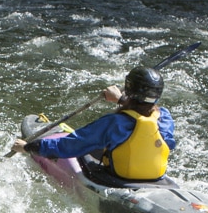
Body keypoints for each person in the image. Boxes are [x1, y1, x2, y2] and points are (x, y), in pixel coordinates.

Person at [10, 65, 177, 182]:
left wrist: (28, 147)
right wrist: (120, 100)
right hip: (155, 177)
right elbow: (150, 132)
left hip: (118, 178)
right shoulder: (165, 118)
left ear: (129, 88)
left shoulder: (114, 124)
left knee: (89, 148)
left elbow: (70, 146)